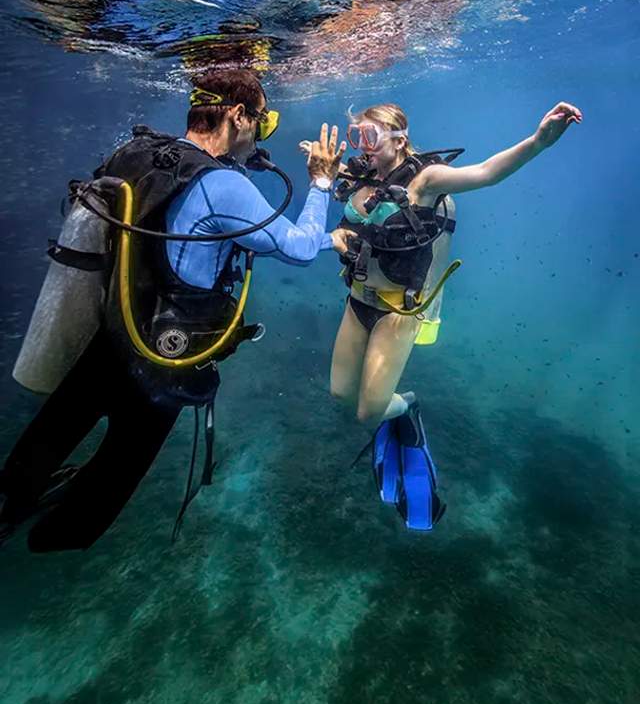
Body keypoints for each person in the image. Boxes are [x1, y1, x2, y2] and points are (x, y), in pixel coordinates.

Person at [0, 69, 346, 552]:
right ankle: (57, 537)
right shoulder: (224, 186)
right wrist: (322, 183)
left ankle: (9, 503)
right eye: (262, 122)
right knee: (116, 471)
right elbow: (300, 248)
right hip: (164, 357)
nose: (262, 135)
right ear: (237, 116)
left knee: (52, 433)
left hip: (112, 329)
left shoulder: (141, 153)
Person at [311, 99, 583, 426]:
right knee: (341, 395)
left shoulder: (425, 181)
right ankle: (387, 401)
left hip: (397, 312)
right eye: (357, 137)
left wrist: (538, 142)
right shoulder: (361, 175)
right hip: (357, 300)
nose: (362, 147)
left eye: (370, 136)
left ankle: (406, 405)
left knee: (368, 413)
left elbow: (486, 173)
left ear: (399, 141)